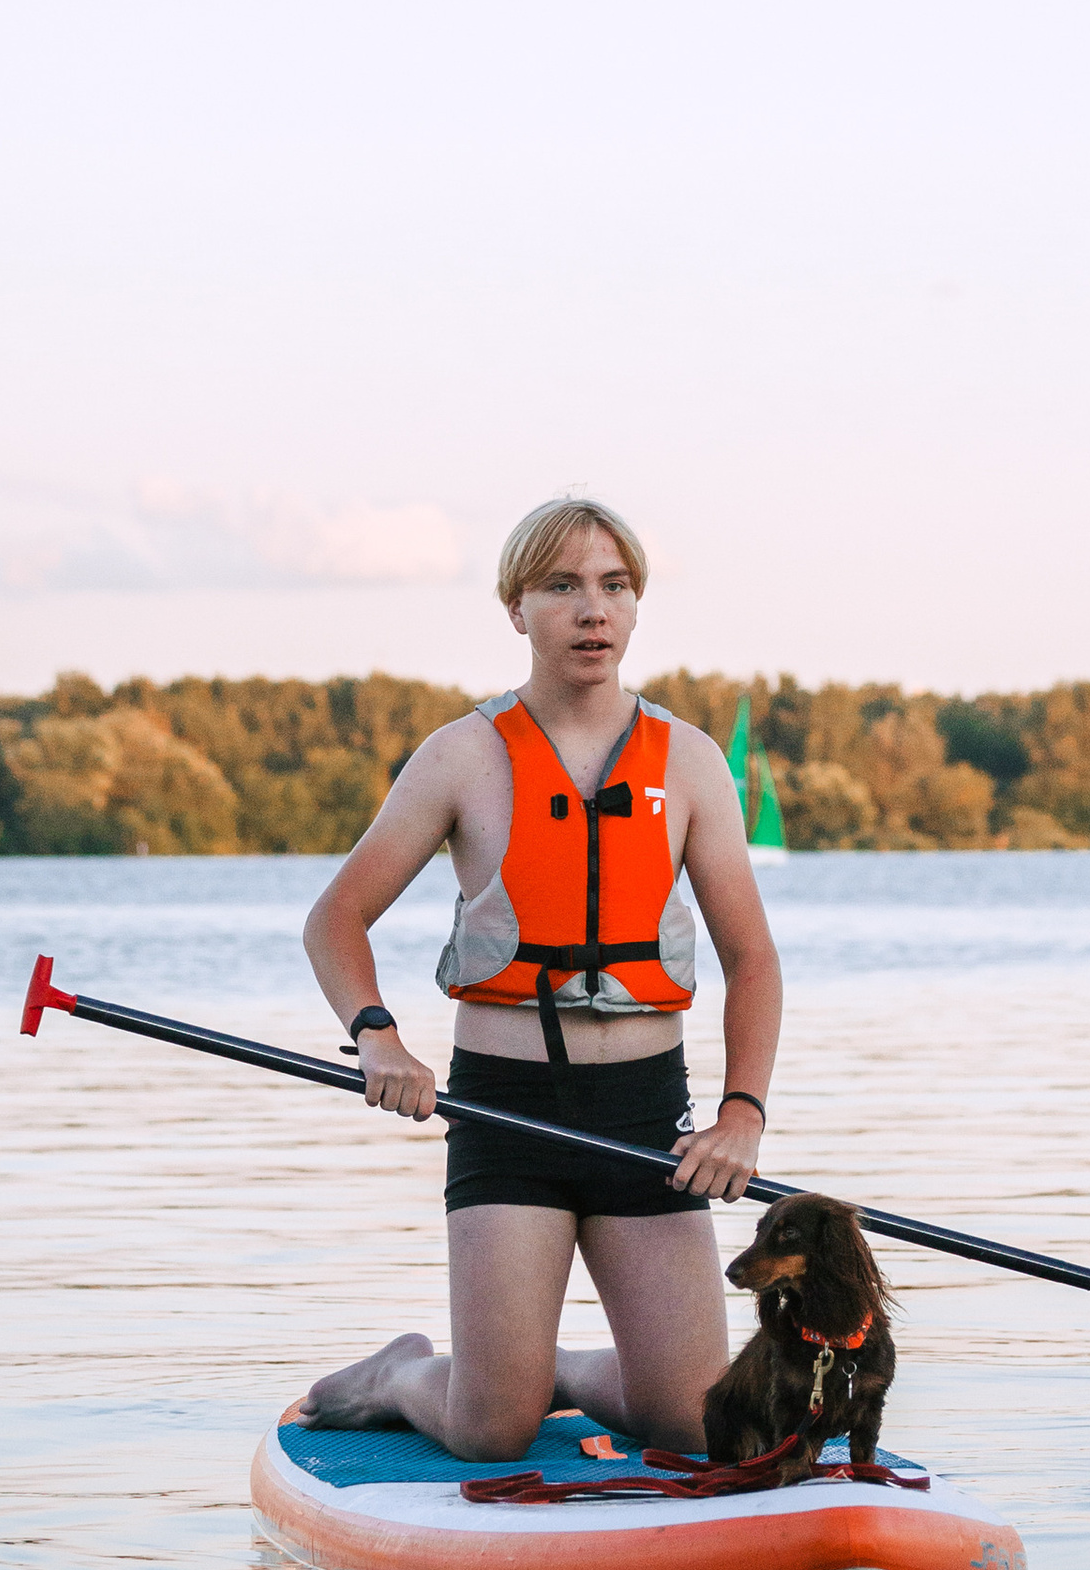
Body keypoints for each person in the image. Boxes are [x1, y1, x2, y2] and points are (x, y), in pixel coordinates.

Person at [286, 496, 782, 1458]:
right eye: (562, 587)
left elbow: (751, 958)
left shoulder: (689, 764)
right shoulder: (463, 757)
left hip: (644, 1119)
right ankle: (406, 1374)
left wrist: (741, 1115)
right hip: (506, 1114)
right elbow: (333, 920)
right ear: (517, 608)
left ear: (635, 610)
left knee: (698, 1424)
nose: (591, 610)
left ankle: (545, 1365)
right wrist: (376, 1036)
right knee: (490, 1431)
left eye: (614, 587)